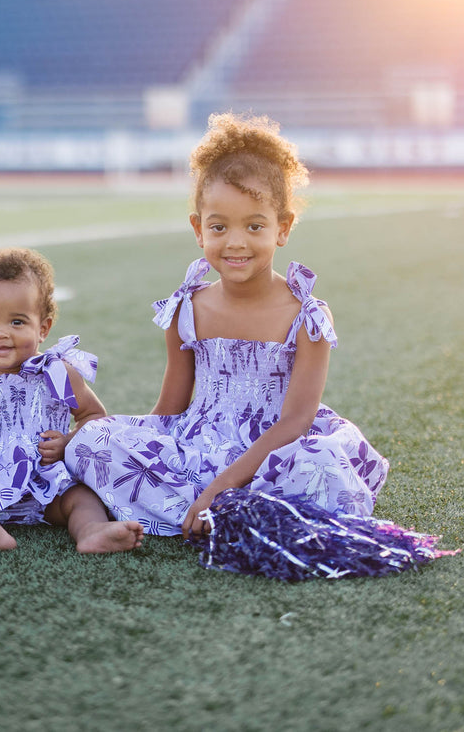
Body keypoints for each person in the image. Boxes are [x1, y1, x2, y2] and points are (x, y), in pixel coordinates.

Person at [66, 113, 390, 538]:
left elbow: (294, 422)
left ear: (283, 228)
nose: (235, 242)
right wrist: (123, 439)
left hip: (278, 453)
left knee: (324, 469)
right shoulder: (187, 308)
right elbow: (169, 412)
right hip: (196, 448)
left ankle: (220, 508)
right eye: (219, 227)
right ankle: (231, 515)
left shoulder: (307, 316)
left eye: (255, 226)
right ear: (199, 230)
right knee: (91, 441)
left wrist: (217, 489)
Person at [0, 247, 144, 553]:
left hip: (46, 482)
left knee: (81, 497)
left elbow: (94, 417)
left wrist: (68, 443)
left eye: (17, 323)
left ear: (43, 328)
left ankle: (91, 529)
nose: (0, 334)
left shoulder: (58, 372)